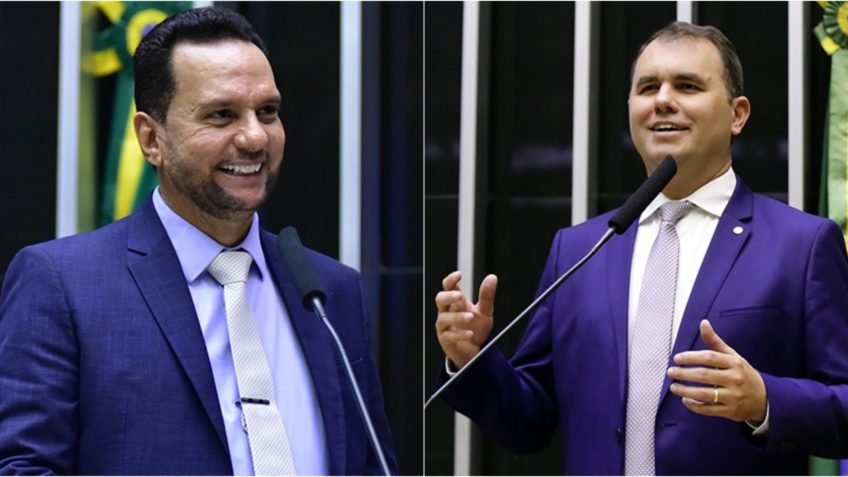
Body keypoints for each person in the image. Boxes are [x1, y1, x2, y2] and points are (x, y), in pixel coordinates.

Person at [434, 21, 848, 475]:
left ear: (738, 114)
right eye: (648, 87)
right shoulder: (580, 250)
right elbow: (526, 423)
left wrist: (765, 400)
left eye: (687, 86)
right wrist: (472, 361)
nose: (663, 100)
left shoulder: (802, 246)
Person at [0, 7, 395, 475]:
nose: (255, 137)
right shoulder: (64, 285)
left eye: (267, 112)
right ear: (151, 139)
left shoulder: (330, 292)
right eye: (221, 115)